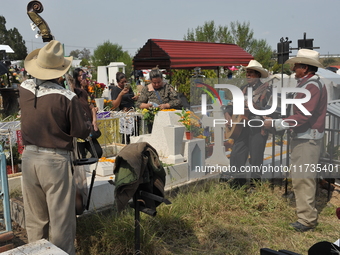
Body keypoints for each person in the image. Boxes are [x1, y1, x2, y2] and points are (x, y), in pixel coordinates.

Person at [19, 40, 91, 254]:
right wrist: (80, 102)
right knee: (60, 223)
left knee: (35, 220)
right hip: (55, 161)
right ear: (60, 71)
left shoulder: (24, 88)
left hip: (29, 158)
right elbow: (81, 131)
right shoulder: (67, 97)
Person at [264, 49, 327, 232]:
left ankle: (307, 220)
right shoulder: (309, 84)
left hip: (307, 138)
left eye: (296, 65)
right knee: (303, 177)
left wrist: (275, 123)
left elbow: (302, 116)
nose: (293, 67)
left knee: (303, 178)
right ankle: (306, 215)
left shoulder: (311, 86)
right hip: (306, 136)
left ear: (305, 67)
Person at [222, 60, 271, 185]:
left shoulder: (267, 90)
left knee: (255, 159)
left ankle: (255, 186)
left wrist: (256, 107)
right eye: (247, 73)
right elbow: (230, 105)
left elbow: (271, 110)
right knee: (237, 154)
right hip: (241, 128)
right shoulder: (242, 89)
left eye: (251, 73)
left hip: (257, 129)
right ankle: (238, 183)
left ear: (258, 75)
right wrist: (227, 114)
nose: (248, 75)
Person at [73, 68, 103, 158]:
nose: (83, 77)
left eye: (84, 75)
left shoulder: (85, 92)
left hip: (88, 125)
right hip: (78, 127)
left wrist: (94, 122)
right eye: (80, 75)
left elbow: (91, 107)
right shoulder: (74, 92)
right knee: (81, 155)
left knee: (97, 152)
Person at [111, 72, 138, 144]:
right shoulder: (115, 90)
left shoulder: (129, 88)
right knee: (126, 136)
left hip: (132, 112)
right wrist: (121, 95)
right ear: (118, 82)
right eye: (122, 82)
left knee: (135, 134)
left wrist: (135, 97)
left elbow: (131, 96)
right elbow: (114, 105)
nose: (124, 84)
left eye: (125, 81)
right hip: (124, 113)